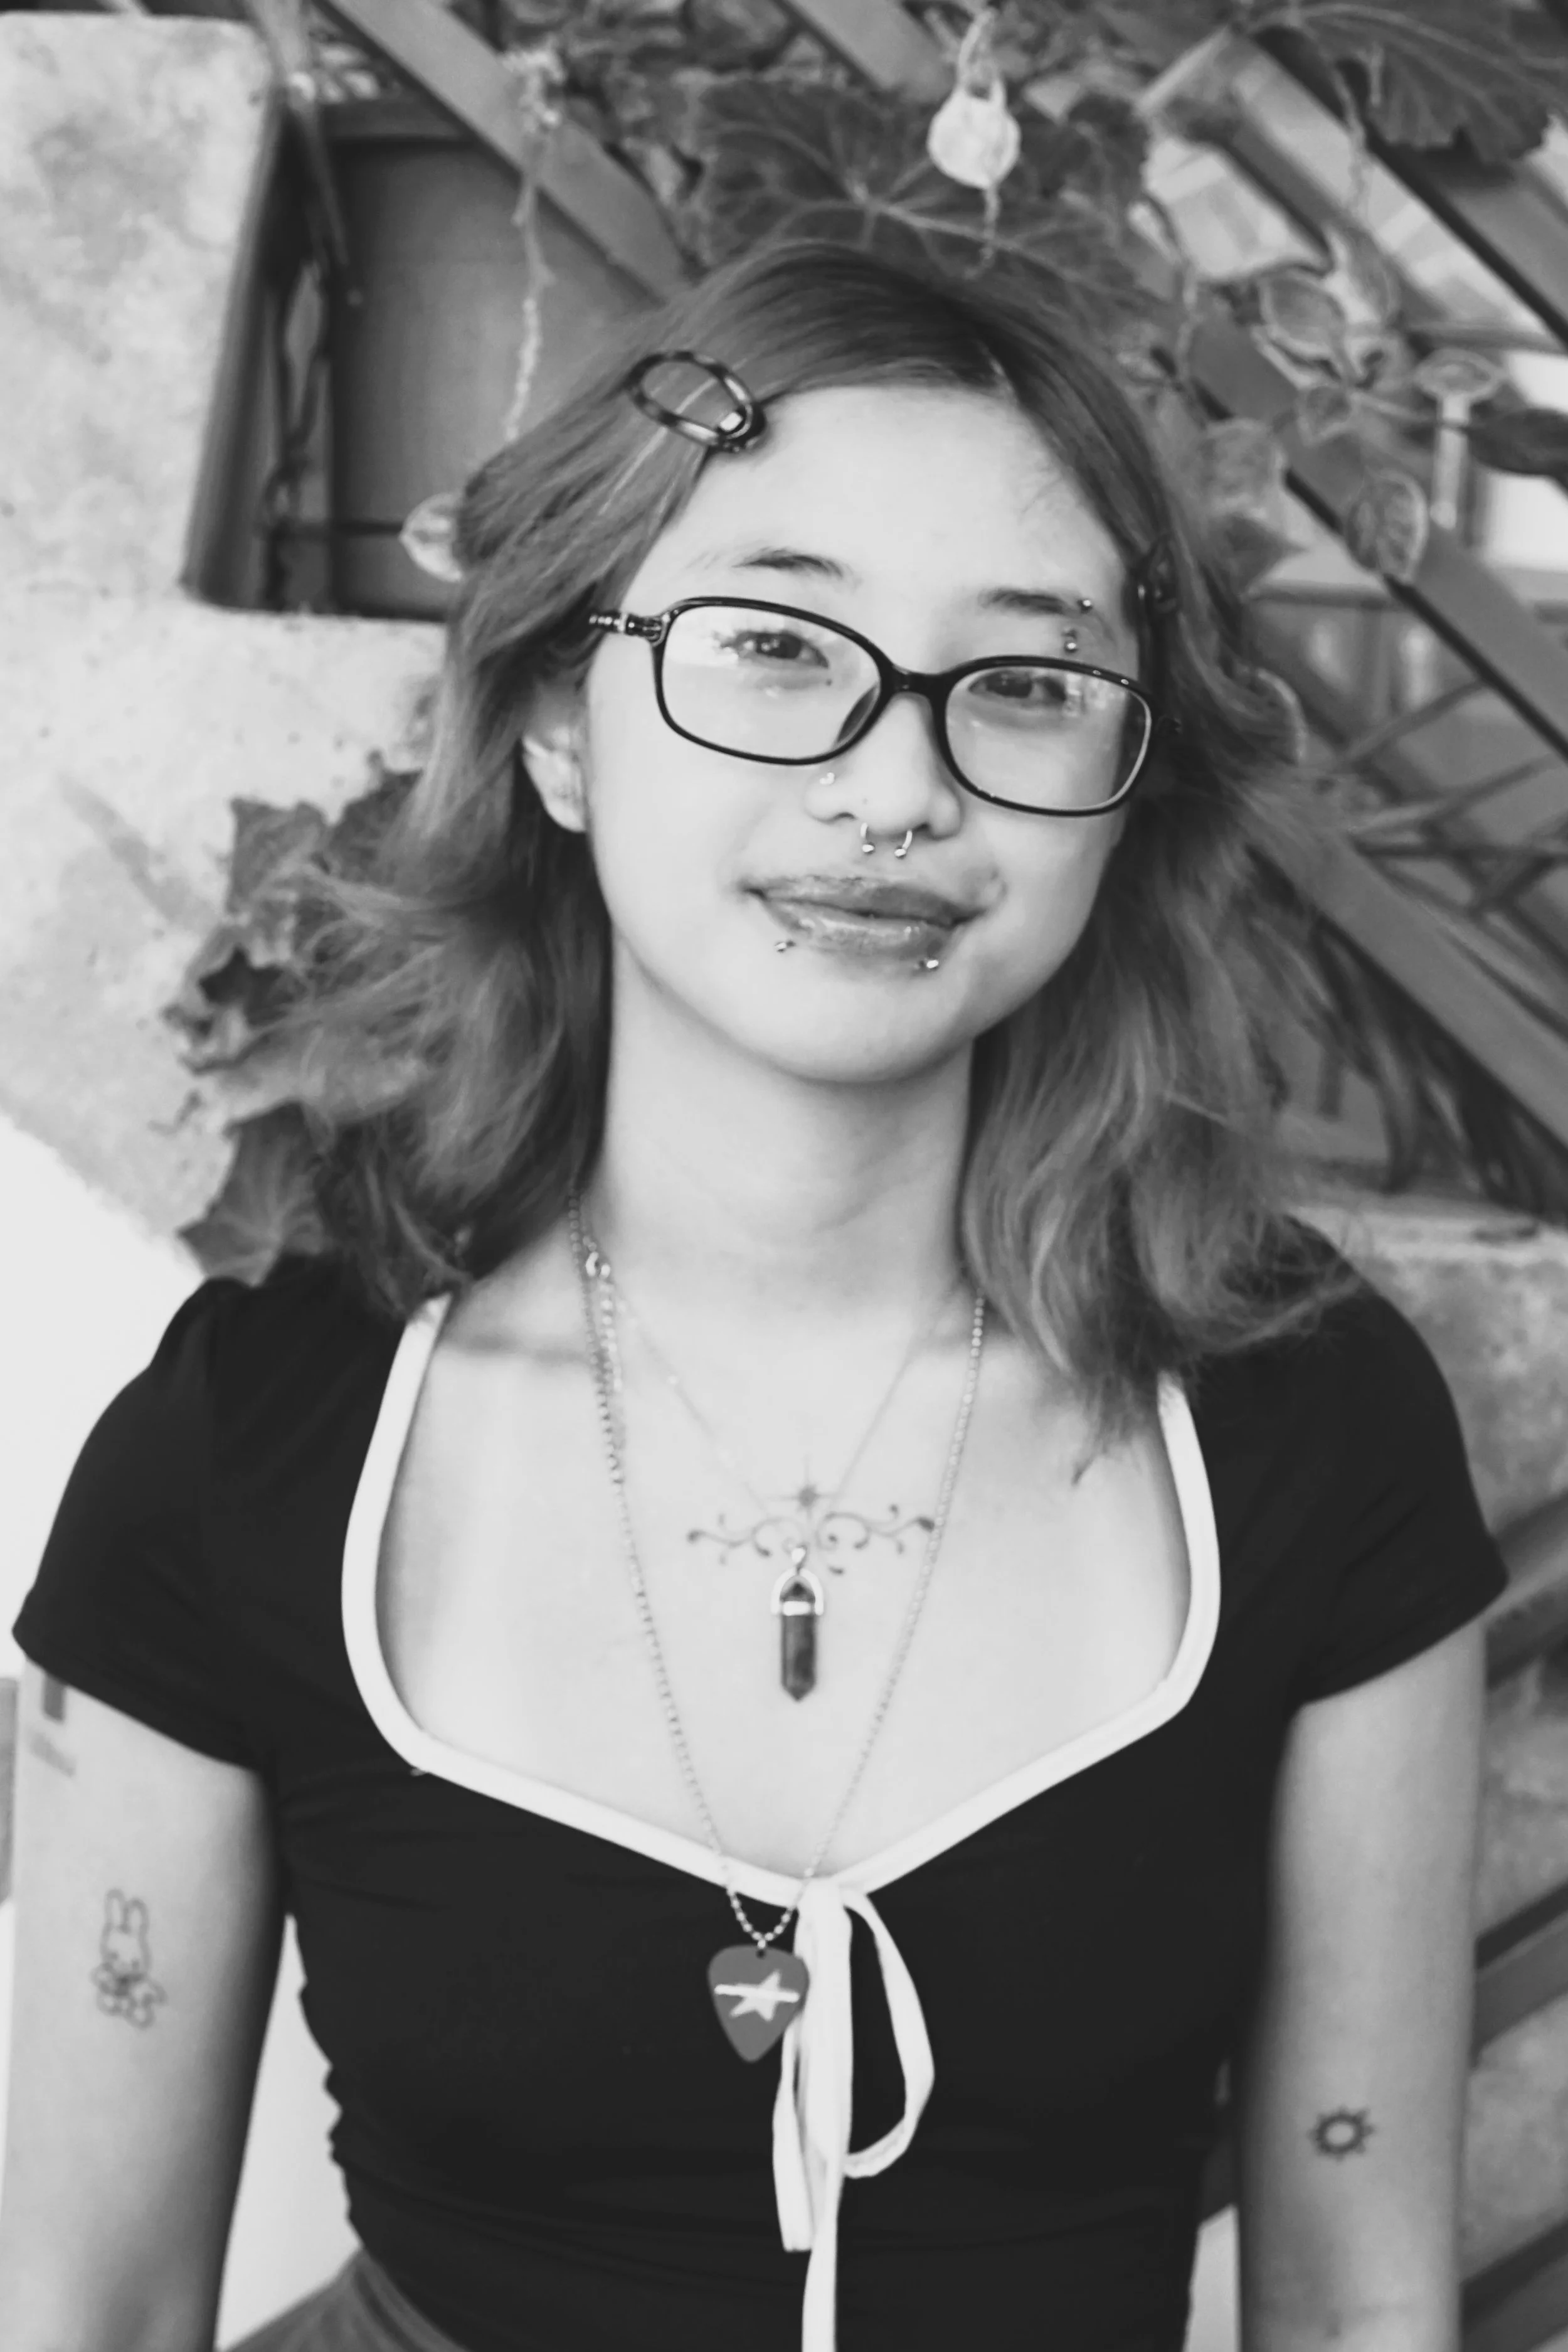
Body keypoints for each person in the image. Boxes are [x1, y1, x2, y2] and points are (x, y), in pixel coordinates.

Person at [0, 238, 1507, 2352]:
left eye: (1026, 683)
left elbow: (1359, 2308)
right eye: (776, 648)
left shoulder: (1300, 1415)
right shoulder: (256, 1436)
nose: (900, 786)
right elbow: (87, 2309)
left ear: (1121, 792)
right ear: (553, 729)